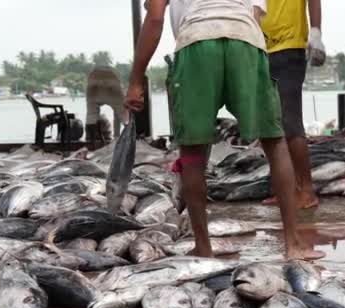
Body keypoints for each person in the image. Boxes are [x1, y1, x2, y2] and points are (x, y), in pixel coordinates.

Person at [124, 0, 324, 260]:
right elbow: (255, 14)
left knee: (192, 154)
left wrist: (136, 78)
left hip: (196, 45)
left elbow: (154, 18)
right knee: (274, 143)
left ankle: (204, 248)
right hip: (246, 43)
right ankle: (293, 244)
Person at [260, 0, 324, 209]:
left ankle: (306, 190)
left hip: (289, 46)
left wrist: (315, 31)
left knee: (290, 120)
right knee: (271, 123)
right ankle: (286, 189)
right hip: (261, 47)